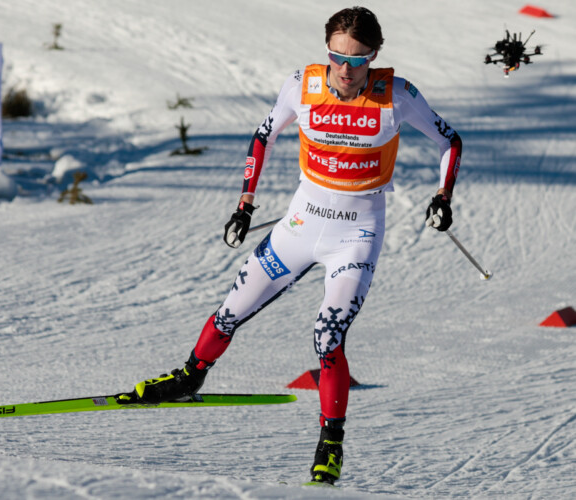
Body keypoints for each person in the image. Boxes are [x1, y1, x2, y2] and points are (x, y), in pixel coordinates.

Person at [119, 6, 462, 485]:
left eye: (359, 59)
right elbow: (264, 136)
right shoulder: (303, 83)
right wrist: (245, 204)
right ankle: (188, 378)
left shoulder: (397, 95)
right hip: (300, 226)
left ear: (375, 55)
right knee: (228, 312)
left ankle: (330, 444)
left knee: (328, 336)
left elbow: (450, 140)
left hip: (355, 235)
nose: (346, 69)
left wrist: (443, 196)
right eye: (337, 57)